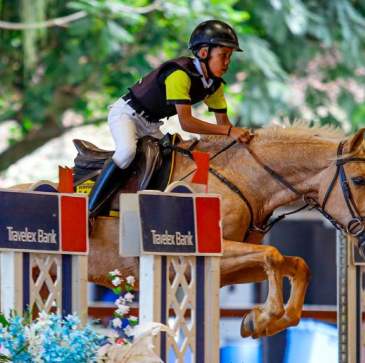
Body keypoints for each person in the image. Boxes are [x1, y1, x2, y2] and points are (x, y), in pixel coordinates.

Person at [87, 19, 253, 220]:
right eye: (223, 55)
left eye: (230, 57)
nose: (227, 62)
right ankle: (89, 209)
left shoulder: (214, 85)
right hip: (126, 115)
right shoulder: (179, 74)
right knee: (126, 152)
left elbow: (224, 125)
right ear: (203, 53)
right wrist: (230, 132)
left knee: (173, 159)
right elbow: (187, 123)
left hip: (150, 125)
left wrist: (245, 143)